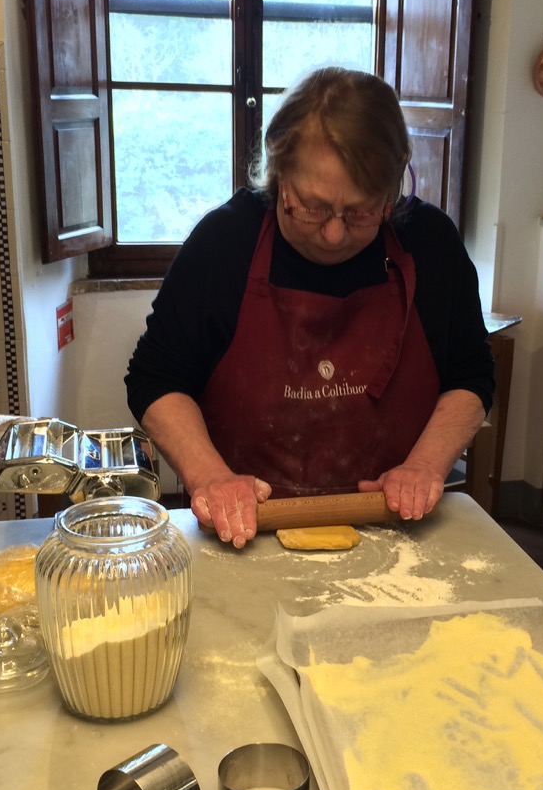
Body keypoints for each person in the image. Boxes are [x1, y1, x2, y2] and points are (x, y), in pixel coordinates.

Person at [126, 66, 494, 548]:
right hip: (244, 534)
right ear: (279, 176)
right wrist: (211, 477)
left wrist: (425, 466)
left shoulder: (429, 244)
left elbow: (471, 374)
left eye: (361, 211)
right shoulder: (225, 244)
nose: (335, 234)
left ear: (391, 191)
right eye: (314, 208)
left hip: (396, 529)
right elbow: (156, 378)